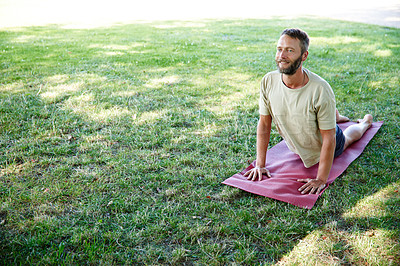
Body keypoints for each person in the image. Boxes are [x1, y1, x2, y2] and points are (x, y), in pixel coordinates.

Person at [244, 28, 373, 194]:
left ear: (304, 56)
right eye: (279, 49)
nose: (282, 56)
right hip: (306, 126)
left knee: (347, 137)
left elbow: (329, 138)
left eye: (290, 50)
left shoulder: (321, 89)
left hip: (325, 143)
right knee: (320, 112)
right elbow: (264, 123)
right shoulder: (268, 81)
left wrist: (321, 179)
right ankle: (335, 115)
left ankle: (365, 122)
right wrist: (260, 165)